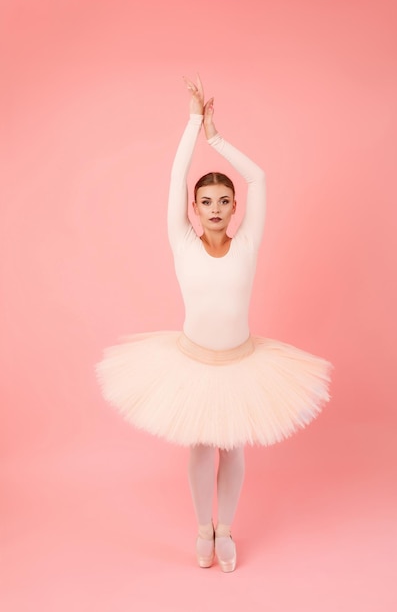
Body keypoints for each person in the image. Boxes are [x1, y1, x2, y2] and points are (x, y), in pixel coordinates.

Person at [96, 75, 332, 573]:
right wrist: (191, 123)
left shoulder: (246, 244)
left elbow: (260, 178)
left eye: (225, 201)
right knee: (202, 445)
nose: (217, 209)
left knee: (235, 448)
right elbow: (175, 178)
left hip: (241, 361)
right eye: (207, 202)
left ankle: (227, 529)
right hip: (193, 361)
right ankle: (203, 528)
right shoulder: (182, 242)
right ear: (194, 210)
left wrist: (218, 140)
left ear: (235, 208)